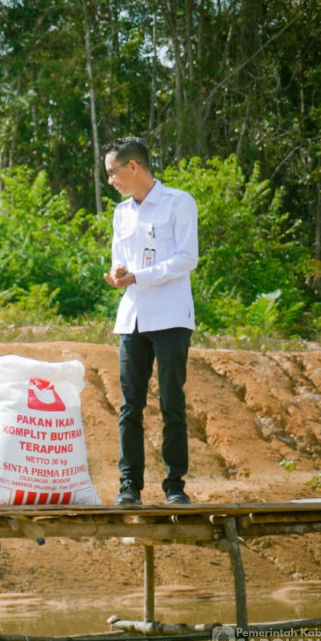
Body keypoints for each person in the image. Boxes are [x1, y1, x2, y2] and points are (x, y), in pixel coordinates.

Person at [102, 136, 199, 506]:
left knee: (172, 402)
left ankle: (175, 485)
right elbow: (118, 257)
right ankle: (130, 486)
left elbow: (186, 259)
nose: (111, 181)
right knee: (130, 406)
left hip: (172, 316)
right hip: (133, 319)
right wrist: (120, 273)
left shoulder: (178, 202)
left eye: (113, 173)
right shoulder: (121, 213)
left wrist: (139, 276)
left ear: (133, 167)